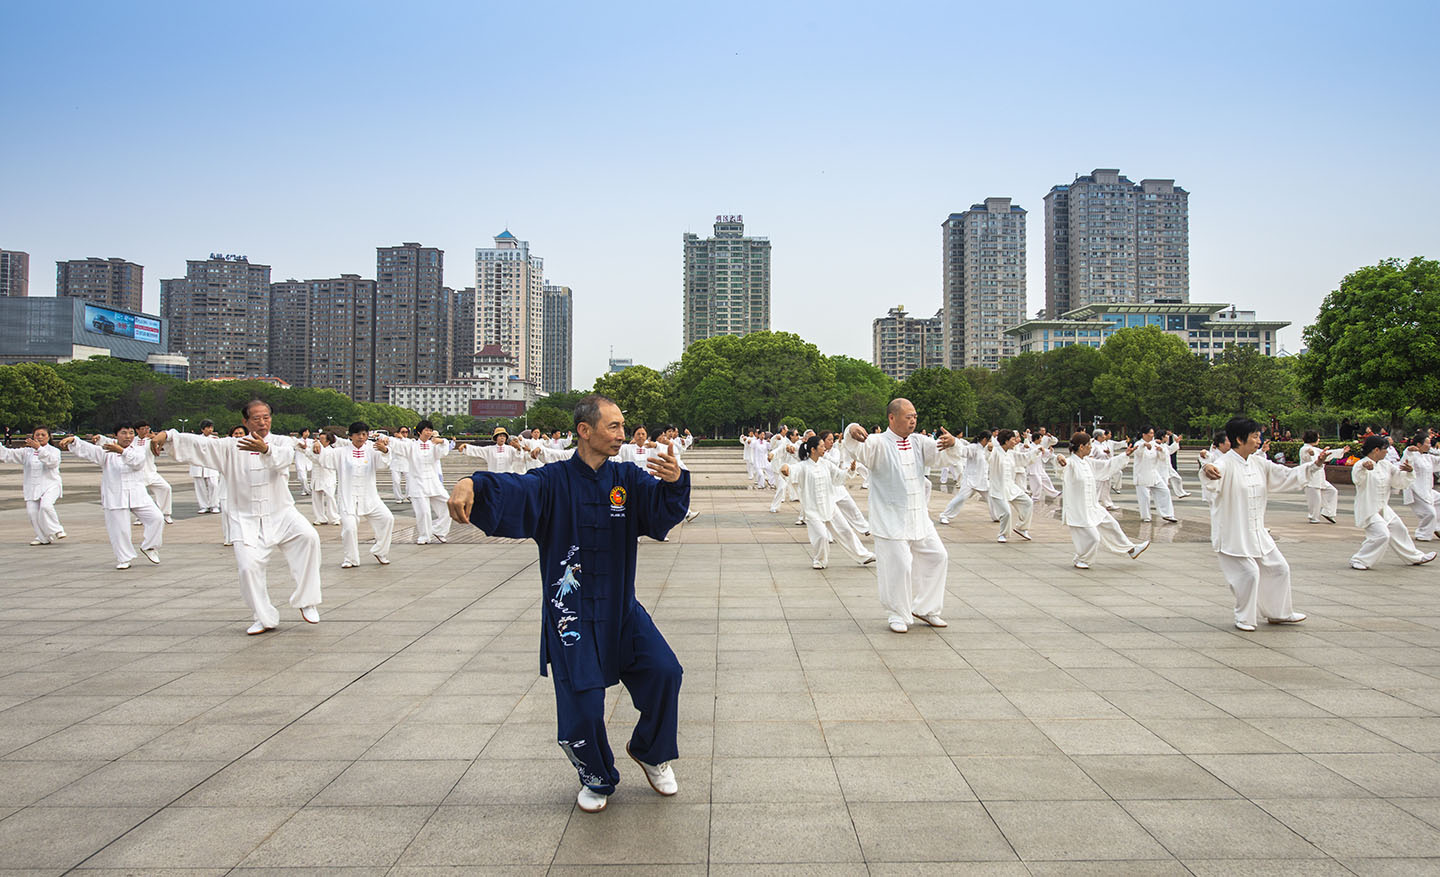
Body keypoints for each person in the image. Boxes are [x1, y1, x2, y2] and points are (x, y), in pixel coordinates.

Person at [447, 394, 689, 814]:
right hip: (571, 616)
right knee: (582, 705)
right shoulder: (552, 482)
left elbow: (662, 511)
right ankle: (595, 776)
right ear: (585, 430)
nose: (621, 434)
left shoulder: (627, 480)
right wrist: (472, 483)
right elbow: (513, 489)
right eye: (612, 426)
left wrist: (674, 483)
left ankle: (650, 750)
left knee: (665, 671)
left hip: (620, 607)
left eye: (622, 426)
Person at [155, 400, 322, 634]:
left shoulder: (281, 442)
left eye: (266, 417)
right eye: (256, 418)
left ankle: (306, 601)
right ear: (245, 422)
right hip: (245, 518)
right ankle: (264, 617)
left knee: (309, 538)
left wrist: (266, 449)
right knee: (247, 567)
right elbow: (198, 445)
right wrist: (168, 435)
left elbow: (284, 458)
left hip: (281, 512)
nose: (262, 422)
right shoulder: (228, 447)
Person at [843, 398, 956, 633]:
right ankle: (896, 613)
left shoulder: (920, 442)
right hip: (890, 519)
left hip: (918, 517)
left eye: (915, 416)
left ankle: (925, 608)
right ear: (892, 418)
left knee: (938, 556)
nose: (913, 420)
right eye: (908, 416)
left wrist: (952, 443)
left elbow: (942, 456)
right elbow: (855, 445)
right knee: (899, 566)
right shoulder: (877, 443)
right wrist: (851, 428)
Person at [1200, 416, 1320, 632]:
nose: (1259, 440)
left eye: (1258, 436)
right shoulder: (1224, 463)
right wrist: (1207, 470)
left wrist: (1315, 465)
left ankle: (1279, 613)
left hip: (1256, 531)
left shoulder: (1259, 463)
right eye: (1255, 436)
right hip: (1233, 533)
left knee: (1279, 568)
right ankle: (1244, 617)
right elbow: (1212, 474)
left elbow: (1287, 475)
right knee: (1249, 574)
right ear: (1239, 439)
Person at [60, 425, 163, 569]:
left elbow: (137, 463)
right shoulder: (106, 452)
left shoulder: (138, 450)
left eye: (131, 433)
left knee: (157, 518)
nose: (128, 436)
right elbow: (90, 451)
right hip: (115, 494)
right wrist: (74, 441)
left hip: (137, 493)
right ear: (115, 435)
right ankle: (124, 558)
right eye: (124, 433)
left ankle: (149, 546)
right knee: (120, 529)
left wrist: (121, 451)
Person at [1054, 431, 1148, 569]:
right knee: (1093, 538)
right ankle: (1082, 559)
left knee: (1112, 525)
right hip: (1078, 510)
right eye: (1089, 445)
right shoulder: (1071, 463)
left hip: (1093, 507)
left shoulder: (1088, 462)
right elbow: (1061, 467)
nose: (1091, 447)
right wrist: (1059, 457)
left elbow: (1106, 465)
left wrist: (1125, 455)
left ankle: (1131, 550)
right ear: (1081, 447)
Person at [1351, 435, 1437, 570]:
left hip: (1383, 508)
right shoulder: (1361, 464)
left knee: (1399, 529)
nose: (1387, 452)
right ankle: (1360, 559)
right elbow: (1358, 479)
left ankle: (1414, 557)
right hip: (1368, 508)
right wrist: (1363, 468)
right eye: (1385, 449)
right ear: (1376, 450)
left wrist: (1409, 472)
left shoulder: (1386, 465)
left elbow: (1399, 480)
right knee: (1382, 534)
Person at [794, 435, 876, 569]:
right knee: (821, 536)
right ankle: (819, 560)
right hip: (813, 509)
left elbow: (839, 476)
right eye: (821, 446)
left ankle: (864, 556)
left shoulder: (826, 464)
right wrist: (785, 469)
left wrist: (850, 470)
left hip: (829, 505)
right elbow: (792, 470)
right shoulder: (803, 466)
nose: (824, 448)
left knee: (846, 531)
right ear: (813, 450)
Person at [327, 422, 394, 568]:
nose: (361, 437)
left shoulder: (372, 450)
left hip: (369, 496)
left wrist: (385, 451)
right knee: (350, 528)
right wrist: (315, 449)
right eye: (358, 434)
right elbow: (323, 458)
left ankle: (380, 550)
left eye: (364, 434)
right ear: (350, 436)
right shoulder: (340, 452)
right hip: (348, 497)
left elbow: (383, 465)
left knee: (387, 518)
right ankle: (350, 559)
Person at [389, 420, 452, 545]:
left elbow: (443, 452)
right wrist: (384, 439)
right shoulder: (411, 445)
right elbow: (397, 445)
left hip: (433, 482)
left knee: (449, 505)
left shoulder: (434, 445)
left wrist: (442, 441)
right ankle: (424, 535)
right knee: (423, 512)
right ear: (419, 432)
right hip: (417, 483)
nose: (428, 432)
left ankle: (438, 530)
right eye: (426, 430)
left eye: (430, 430)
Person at [0, 426, 65, 545]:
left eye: (43, 435)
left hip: (50, 485)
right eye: (37, 435)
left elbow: (52, 463)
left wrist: (39, 449)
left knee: (45, 506)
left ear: (49, 437)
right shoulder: (27, 452)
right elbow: (8, 455)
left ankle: (57, 530)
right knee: (32, 513)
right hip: (32, 486)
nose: (39, 437)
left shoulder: (54, 451)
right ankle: (43, 537)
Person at [985, 429, 1037, 543]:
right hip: (998, 487)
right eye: (1013, 439)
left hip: (1011, 486)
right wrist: (988, 449)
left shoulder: (1011, 453)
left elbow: (1024, 458)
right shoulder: (996, 452)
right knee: (1006, 512)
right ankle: (1002, 534)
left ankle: (1022, 528)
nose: (1015, 441)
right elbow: (988, 456)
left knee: (1028, 503)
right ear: (1006, 441)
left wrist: (1037, 451)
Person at [938, 430, 992, 525]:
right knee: (961, 498)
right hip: (970, 480)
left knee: (992, 497)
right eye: (989, 440)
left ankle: (997, 515)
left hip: (982, 480)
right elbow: (962, 451)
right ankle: (945, 515)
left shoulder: (985, 450)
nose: (990, 442)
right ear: (984, 439)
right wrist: (952, 444)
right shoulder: (973, 447)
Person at [1132, 426, 1179, 524]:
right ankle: (1146, 516)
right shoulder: (1138, 443)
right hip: (1142, 474)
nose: (1152, 435)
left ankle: (1167, 514)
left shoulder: (1155, 444)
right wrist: (1144, 445)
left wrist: (1161, 450)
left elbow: (1163, 457)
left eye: (1153, 433)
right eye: (1150, 433)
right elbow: (1138, 453)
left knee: (1165, 491)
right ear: (1144, 434)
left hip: (1154, 473)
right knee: (1144, 497)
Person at [132, 421, 174, 524]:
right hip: (137, 474)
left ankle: (165, 514)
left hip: (151, 472)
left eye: (147, 428)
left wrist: (156, 439)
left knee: (166, 488)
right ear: (137, 430)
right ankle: (140, 517)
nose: (146, 431)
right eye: (143, 429)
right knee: (139, 494)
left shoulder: (152, 439)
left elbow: (163, 443)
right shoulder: (132, 440)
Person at [1402, 431, 1440, 542]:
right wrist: (1408, 451)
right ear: (1419, 444)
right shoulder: (1411, 455)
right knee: (1430, 513)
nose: (1429, 445)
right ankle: (1422, 534)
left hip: (1427, 490)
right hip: (1415, 491)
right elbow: (1404, 462)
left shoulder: (1428, 457)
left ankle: (1437, 527)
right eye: (1427, 443)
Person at [1300, 430, 1343, 524]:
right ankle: (1313, 517)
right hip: (1310, 479)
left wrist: (1341, 451)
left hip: (1319, 478)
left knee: (1332, 491)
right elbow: (1306, 454)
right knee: (1315, 500)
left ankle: (1328, 512)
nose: (1319, 439)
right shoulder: (1305, 448)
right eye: (1318, 438)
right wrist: (1309, 452)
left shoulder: (1315, 449)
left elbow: (1326, 454)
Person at [218, 424, 248, 546]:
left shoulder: (250, 448)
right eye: (236, 433)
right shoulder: (225, 447)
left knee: (241, 513)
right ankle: (228, 538)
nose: (238, 436)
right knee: (226, 511)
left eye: (241, 433)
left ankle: (241, 536)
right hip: (226, 485)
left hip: (243, 486)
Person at [460, 427, 529, 474]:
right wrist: (466, 446)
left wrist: (519, 449)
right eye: (500, 436)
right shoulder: (489, 449)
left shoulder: (510, 449)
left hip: (507, 478)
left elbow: (518, 459)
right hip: (493, 477)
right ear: (496, 438)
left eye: (504, 436)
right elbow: (478, 450)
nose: (502, 438)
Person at [189, 420, 222, 515]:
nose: (210, 429)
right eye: (208, 427)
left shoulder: (215, 439)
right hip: (198, 465)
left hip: (211, 465)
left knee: (214, 485)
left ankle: (215, 505)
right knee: (200, 486)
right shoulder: (196, 439)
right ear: (202, 429)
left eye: (211, 427)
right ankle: (204, 506)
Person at [307, 431, 341, 525]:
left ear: (328, 441)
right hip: (317, 475)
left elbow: (322, 460)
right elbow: (310, 456)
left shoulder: (332, 451)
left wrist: (317, 451)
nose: (320, 441)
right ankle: (320, 518)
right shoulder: (314, 448)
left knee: (330, 497)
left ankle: (334, 517)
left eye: (322, 439)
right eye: (319, 438)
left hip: (328, 476)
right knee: (316, 498)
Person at [388, 425, 411, 502]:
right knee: (396, 481)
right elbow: (387, 439)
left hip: (406, 462)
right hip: (396, 462)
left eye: (406, 432)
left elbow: (408, 448)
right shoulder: (394, 440)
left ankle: (409, 495)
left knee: (409, 480)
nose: (404, 433)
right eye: (402, 432)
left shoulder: (409, 441)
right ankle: (398, 497)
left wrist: (403, 438)